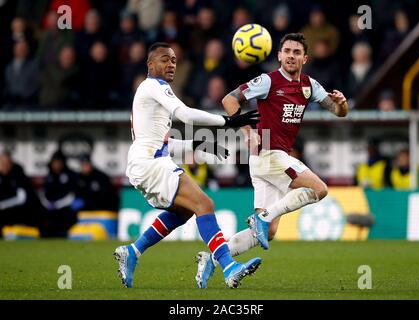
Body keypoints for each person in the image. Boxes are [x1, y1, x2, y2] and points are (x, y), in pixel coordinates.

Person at [195, 33, 349, 288]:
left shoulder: (310, 86)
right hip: (268, 154)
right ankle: (263, 218)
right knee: (319, 189)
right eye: (287, 51)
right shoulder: (268, 81)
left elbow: (338, 112)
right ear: (279, 55)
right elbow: (229, 99)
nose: (291, 56)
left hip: (269, 160)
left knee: (271, 232)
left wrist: (342, 104)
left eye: (296, 52)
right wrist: (247, 131)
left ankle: (212, 258)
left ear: (305, 58)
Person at [114, 42, 262, 289]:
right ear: (150, 65)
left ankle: (133, 251)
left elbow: (162, 143)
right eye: (164, 59)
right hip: (150, 163)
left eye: (173, 60)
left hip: (147, 161)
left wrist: (197, 145)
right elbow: (185, 114)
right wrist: (228, 121)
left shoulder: (151, 94)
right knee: (204, 204)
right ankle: (229, 267)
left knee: (182, 212)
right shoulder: (153, 85)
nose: (171, 64)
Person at [0, 147, 43, 237]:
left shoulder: (18, 172)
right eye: (2, 163)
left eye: (6, 162)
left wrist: (2, 205)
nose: (4, 165)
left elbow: (21, 198)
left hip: (23, 212)